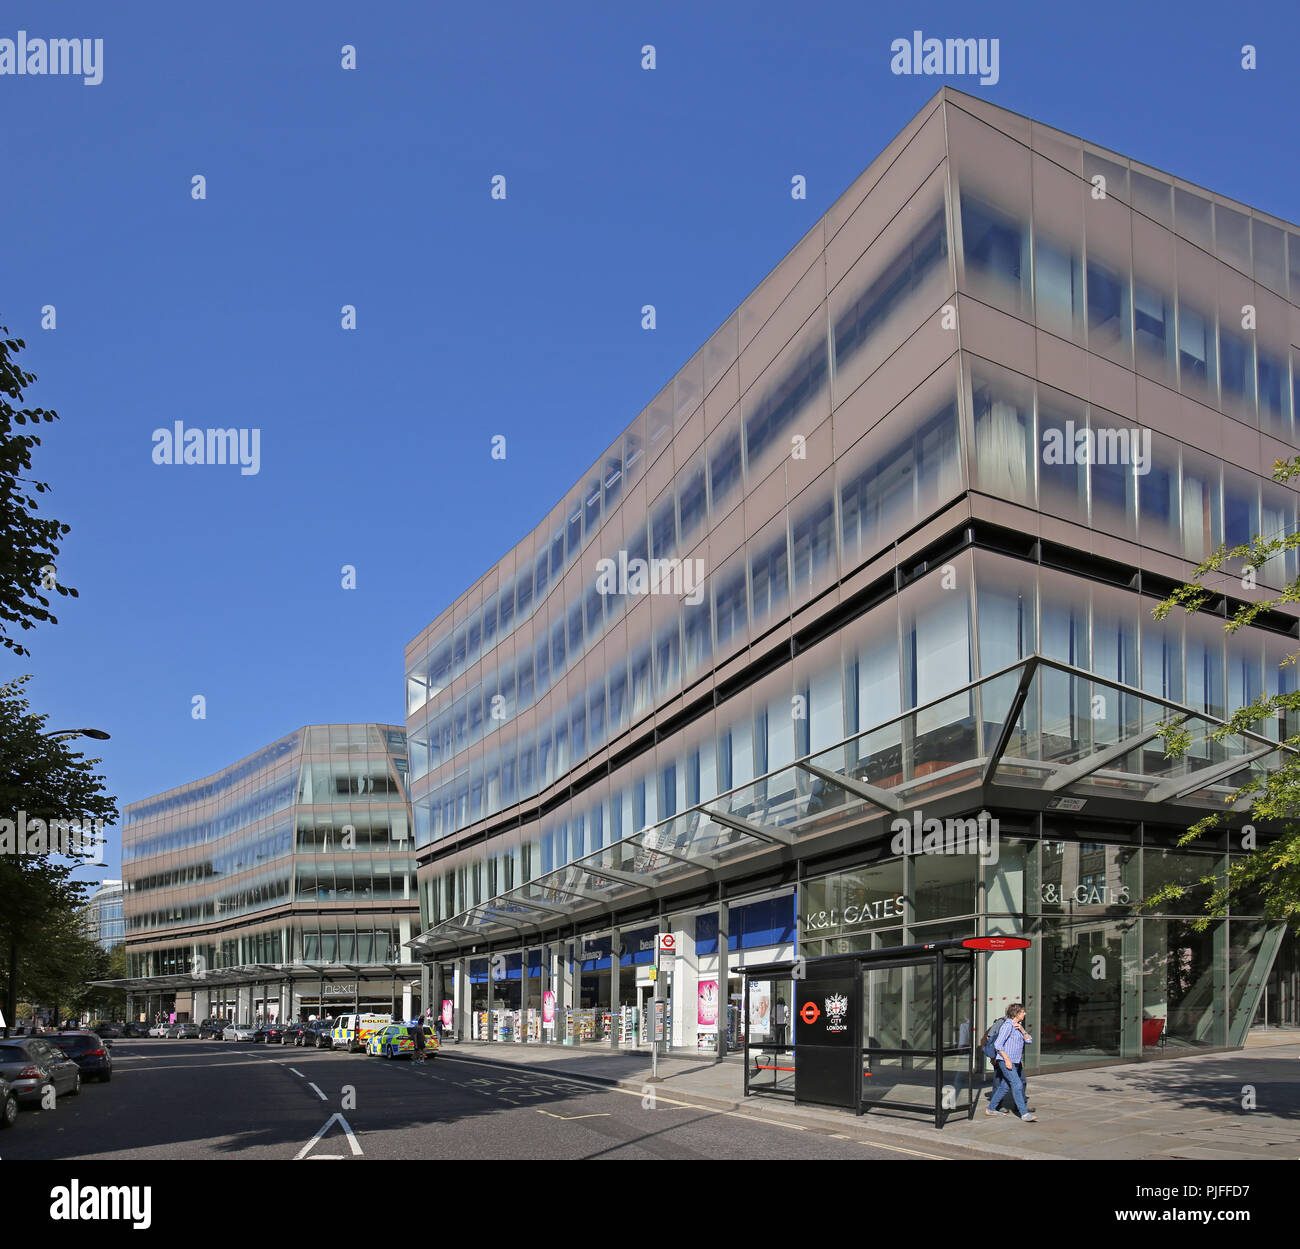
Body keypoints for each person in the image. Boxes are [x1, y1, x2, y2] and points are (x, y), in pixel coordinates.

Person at [986, 1003, 1036, 1122]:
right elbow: (998, 1044)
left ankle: (991, 1109)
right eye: (1023, 1012)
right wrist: (1007, 1060)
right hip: (1006, 1061)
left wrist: (1023, 1030)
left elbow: (1029, 1041)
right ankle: (1024, 1114)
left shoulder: (1018, 1026)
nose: (1025, 1013)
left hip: (1016, 1061)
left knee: (1005, 1086)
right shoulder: (1007, 1025)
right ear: (1016, 1013)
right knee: (1017, 1084)